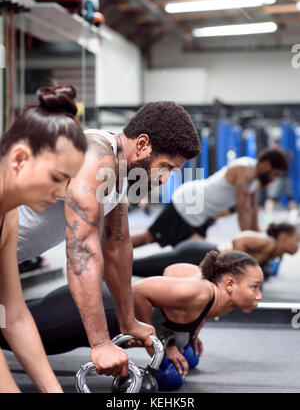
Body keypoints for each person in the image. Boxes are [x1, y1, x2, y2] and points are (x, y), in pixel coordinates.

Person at [16, 101, 201, 378]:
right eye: (166, 167)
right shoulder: (94, 158)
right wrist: (100, 343)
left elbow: (116, 248)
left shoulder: (122, 171)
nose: (165, 180)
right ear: (142, 144)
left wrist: (129, 320)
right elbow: (82, 251)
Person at [0, 251, 263, 376]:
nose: (259, 295)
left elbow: (172, 271)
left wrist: (188, 333)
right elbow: (139, 293)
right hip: (91, 310)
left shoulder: (213, 298)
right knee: (8, 330)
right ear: (229, 284)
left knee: (13, 311)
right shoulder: (202, 292)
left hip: (98, 306)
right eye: (254, 288)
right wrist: (157, 342)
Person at [0, 84, 87, 393]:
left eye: (68, 181)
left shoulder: (8, 215)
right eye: (56, 178)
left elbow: (14, 315)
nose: (62, 193)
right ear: (20, 158)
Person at [131, 148, 289, 248]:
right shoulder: (245, 169)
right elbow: (243, 211)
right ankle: (110, 250)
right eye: (275, 175)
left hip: (201, 216)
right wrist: (250, 244)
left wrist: (263, 239)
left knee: (192, 255)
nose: (274, 180)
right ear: (267, 165)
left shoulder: (256, 181)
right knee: (149, 237)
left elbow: (253, 212)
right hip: (189, 203)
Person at [131, 222, 300, 280]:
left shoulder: (273, 253)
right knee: (140, 267)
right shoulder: (268, 242)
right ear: (284, 237)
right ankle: (109, 267)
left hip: (203, 258)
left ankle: (110, 270)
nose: (298, 245)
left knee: (153, 272)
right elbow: (240, 239)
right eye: (297, 240)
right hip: (198, 253)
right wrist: (241, 268)